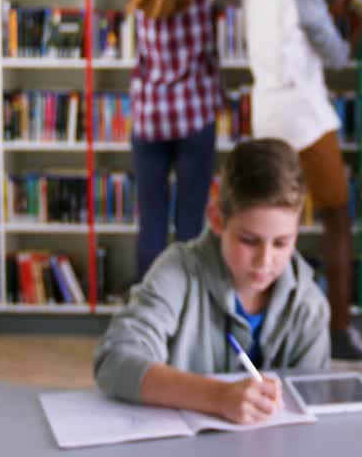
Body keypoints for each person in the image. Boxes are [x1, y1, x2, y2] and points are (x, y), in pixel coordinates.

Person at [245, 0, 362, 367]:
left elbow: (294, 35)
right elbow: (337, 55)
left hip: (267, 115)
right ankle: (341, 331)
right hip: (305, 119)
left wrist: (332, 11)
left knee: (269, 226)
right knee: (337, 220)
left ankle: (263, 330)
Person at [94, 138, 330, 425]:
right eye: (249, 240)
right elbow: (114, 360)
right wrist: (218, 397)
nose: (264, 261)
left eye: (281, 243)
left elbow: (310, 411)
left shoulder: (310, 306)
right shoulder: (177, 271)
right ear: (217, 220)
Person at [127, 0, 243, 280]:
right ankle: (188, 313)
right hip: (193, 116)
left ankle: (147, 316)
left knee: (151, 224)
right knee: (191, 223)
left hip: (151, 117)